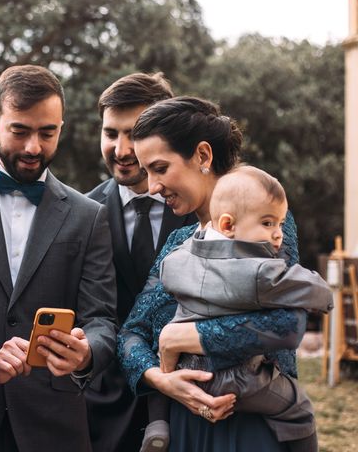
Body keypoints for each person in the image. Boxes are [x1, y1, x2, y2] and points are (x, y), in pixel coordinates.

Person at [0, 64, 118, 452]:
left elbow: (102, 318)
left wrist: (86, 353)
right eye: (20, 131)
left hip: (56, 425)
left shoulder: (89, 216)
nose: (34, 147)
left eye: (46, 133)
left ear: (60, 129)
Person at [118, 96, 310, 452]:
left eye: (159, 168)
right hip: (186, 427)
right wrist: (160, 378)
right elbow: (131, 333)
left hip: (253, 428)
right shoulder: (178, 242)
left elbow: (287, 324)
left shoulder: (265, 225)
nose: (153, 186)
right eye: (147, 173)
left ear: (203, 156)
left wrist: (181, 337)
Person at [142, 165, 332, 452]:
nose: (278, 234)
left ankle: (157, 426)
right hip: (238, 376)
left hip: (186, 372)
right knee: (298, 407)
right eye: (268, 224)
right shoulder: (261, 272)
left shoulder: (177, 258)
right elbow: (313, 293)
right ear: (229, 225)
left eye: (280, 224)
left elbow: (161, 295)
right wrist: (325, 296)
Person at [85, 72, 196, 452]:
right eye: (111, 133)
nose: (120, 148)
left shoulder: (207, 209)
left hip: (194, 404)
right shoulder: (82, 212)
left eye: (133, 133)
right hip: (105, 409)